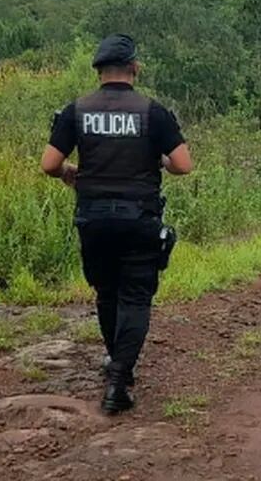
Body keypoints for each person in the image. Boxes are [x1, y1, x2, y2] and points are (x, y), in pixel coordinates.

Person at [40, 34, 192, 414]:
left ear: (99, 72)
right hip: (139, 219)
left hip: (93, 219)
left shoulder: (77, 109)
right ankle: (118, 378)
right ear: (135, 69)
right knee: (136, 297)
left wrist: (71, 173)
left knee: (107, 293)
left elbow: (49, 164)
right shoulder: (152, 111)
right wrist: (157, 160)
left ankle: (116, 364)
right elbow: (183, 165)